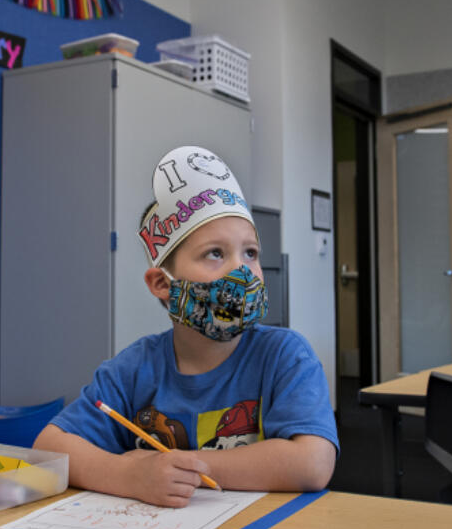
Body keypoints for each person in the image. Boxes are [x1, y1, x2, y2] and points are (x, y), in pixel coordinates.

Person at [34, 145, 338, 507]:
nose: (241, 271)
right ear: (163, 285)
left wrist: (179, 467)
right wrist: (130, 476)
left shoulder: (285, 355)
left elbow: (314, 462)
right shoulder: (134, 369)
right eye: (215, 253)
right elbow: (49, 448)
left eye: (250, 253)